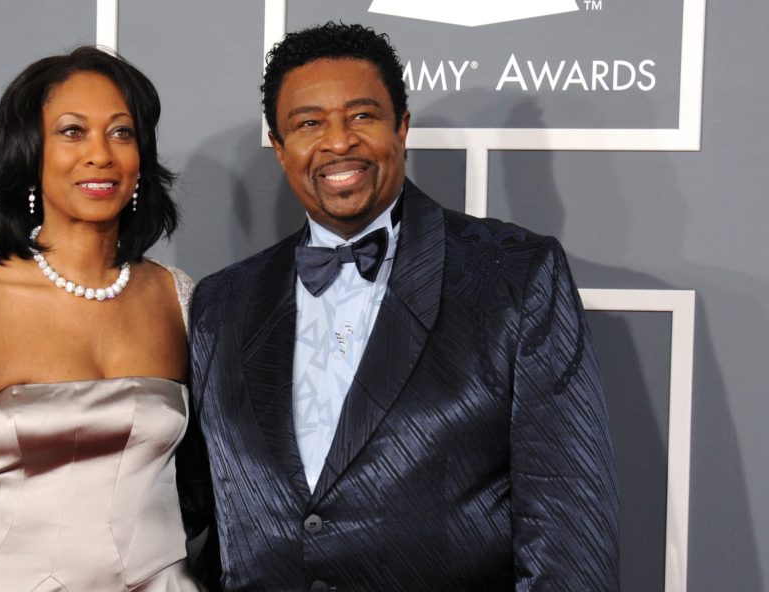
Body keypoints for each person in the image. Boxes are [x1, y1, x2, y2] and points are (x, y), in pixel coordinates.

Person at [184, 22, 620, 590]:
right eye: (309, 123)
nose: (339, 142)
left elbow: (570, 531)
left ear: (402, 128)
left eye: (362, 116)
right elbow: (188, 507)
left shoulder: (516, 277)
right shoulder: (222, 302)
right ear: (280, 145)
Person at [0, 46, 202, 592]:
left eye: (121, 133)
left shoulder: (178, 299)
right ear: (30, 154)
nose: (100, 155)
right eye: (72, 132)